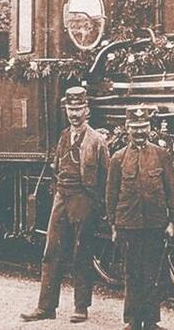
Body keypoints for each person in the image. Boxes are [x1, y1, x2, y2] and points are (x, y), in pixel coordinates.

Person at [21, 86, 110, 324]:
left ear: (87, 110)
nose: (74, 114)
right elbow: (57, 168)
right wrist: (59, 194)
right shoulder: (63, 137)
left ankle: (81, 307)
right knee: (51, 252)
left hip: (84, 200)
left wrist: (96, 205)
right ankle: (46, 307)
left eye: (78, 109)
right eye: (71, 109)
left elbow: (105, 177)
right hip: (62, 198)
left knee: (82, 253)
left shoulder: (97, 141)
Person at [105, 106, 174, 330]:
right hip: (128, 225)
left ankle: (150, 322)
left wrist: (173, 221)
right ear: (127, 128)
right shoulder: (118, 158)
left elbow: (172, 190)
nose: (139, 131)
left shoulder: (161, 155)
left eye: (143, 127)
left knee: (152, 274)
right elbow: (111, 194)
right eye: (135, 127)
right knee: (131, 274)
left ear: (150, 128)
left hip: (155, 224)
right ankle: (132, 321)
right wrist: (113, 225)